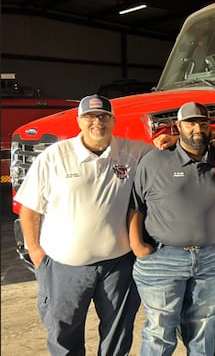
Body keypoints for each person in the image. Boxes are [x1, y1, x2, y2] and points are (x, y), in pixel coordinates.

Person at [15, 94, 153, 356]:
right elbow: (30, 208)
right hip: (64, 268)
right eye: (90, 117)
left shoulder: (133, 151)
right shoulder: (54, 156)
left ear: (113, 120)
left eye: (103, 116)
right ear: (79, 121)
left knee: (118, 334)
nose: (97, 122)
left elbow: (167, 156)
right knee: (63, 335)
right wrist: (36, 252)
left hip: (117, 266)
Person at [128, 101, 215, 355]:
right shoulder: (155, 161)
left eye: (203, 123)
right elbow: (137, 205)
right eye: (190, 123)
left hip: (212, 259)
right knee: (160, 331)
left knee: (204, 327)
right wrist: (137, 244)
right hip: (163, 259)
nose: (197, 128)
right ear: (178, 127)